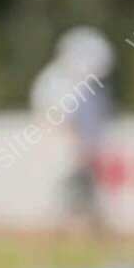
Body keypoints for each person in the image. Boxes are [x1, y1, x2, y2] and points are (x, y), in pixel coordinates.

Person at [29, 25, 115, 239]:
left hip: (75, 155)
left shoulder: (76, 84)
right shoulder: (57, 82)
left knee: (92, 205)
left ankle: (112, 258)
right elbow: (58, 120)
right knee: (60, 207)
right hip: (64, 156)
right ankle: (39, 261)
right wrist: (76, 149)